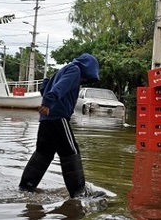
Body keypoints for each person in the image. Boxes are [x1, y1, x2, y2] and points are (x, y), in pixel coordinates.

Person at [19, 53, 100, 198]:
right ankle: (79, 192)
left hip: (46, 118)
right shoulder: (75, 70)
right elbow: (61, 87)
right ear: (88, 67)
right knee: (71, 151)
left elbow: (45, 87)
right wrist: (50, 101)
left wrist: (47, 100)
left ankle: (26, 187)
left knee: (43, 153)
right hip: (57, 116)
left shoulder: (63, 69)